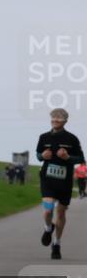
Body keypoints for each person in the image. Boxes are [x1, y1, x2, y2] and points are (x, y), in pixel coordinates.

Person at [36, 108, 84, 259]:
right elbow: (38, 155)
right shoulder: (43, 137)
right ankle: (48, 227)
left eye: (59, 118)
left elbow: (80, 159)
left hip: (64, 181)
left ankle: (56, 244)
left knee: (61, 213)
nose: (55, 120)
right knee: (48, 210)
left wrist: (68, 158)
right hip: (47, 179)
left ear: (65, 121)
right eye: (53, 117)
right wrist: (42, 155)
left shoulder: (72, 139)